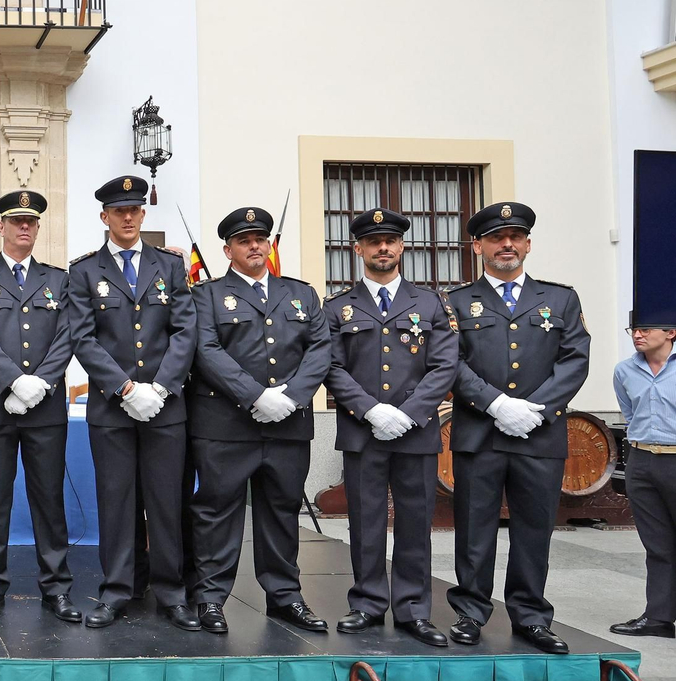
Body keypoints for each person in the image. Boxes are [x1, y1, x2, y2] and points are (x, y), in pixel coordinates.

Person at [443, 201, 589, 654]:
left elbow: (575, 359)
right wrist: (497, 404)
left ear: (528, 243)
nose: (506, 245)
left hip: (538, 435)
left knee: (534, 528)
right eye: (495, 238)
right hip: (480, 433)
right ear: (477, 246)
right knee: (474, 527)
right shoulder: (456, 301)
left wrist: (537, 409)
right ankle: (470, 611)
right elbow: (450, 363)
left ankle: (529, 615)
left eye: (515, 237)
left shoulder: (560, 298)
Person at [186, 207, 330, 635]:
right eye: (245, 241)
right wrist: (255, 396)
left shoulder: (301, 294)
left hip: (287, 424)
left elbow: (320, 348)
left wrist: (291, 396)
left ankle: (285, 596)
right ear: (227, 249)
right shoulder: (207, 295)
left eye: (260, 239)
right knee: (216, 513)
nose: (255, 246)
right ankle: (210, 598)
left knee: (282, 511)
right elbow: (205, 351)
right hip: (226, 426)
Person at [323, 207, 458, 646]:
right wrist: (370, 410)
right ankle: (366, 603)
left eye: (391, 241)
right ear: (357, 248)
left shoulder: (431, 302)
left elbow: (444, 365)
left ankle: (414, 609)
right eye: (373, 242)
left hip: (416, 431)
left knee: (417, 520)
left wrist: (409, 412)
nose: (383, 248)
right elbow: (331, 366)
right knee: (365, 520)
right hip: (363, 431)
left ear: (402, 247)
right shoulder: (339, 307)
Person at [67, 175, 197, 630]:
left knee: (166, 501)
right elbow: (83, 338)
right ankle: (117, 589)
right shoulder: (83, 272)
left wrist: (160, 388)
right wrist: (125, 389)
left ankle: (171, 592)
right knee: (117, 502)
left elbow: (185, 332)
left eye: (134, 210)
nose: (127, 217)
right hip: (111, 408)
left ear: (143, 214)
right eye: (118, 211)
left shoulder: (170, 266)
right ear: (104, 217)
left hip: (166, 407)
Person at [0, 190, 81, 624]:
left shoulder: (59, 280)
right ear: (1, 226)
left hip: (44, 409)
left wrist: (40, 384)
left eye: (30, 221)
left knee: (49, 499)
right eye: (16, 221)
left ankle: (57, 587)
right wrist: (14, 380)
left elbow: (68, 335)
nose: (24, 227)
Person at [609, 311, 676, 637]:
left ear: (671, 333)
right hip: (643, 460)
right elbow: (630, 413)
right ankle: (659, 618)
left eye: (645, 329)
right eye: (633, 329)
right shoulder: (624, 371)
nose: (637, 335)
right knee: (657, 544)